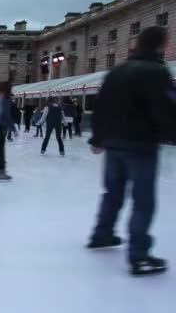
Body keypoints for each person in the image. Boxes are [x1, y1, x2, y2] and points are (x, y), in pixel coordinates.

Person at [87, 26, 175, 276]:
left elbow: (101, 106)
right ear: (162, 46)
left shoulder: (117, 71)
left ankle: (101, 234)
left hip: (114, 143)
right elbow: (165, 109)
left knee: (112, 192)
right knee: (142, 200)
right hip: (141, 143)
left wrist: (98, 137)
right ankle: (139, 255)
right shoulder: (157, 72)